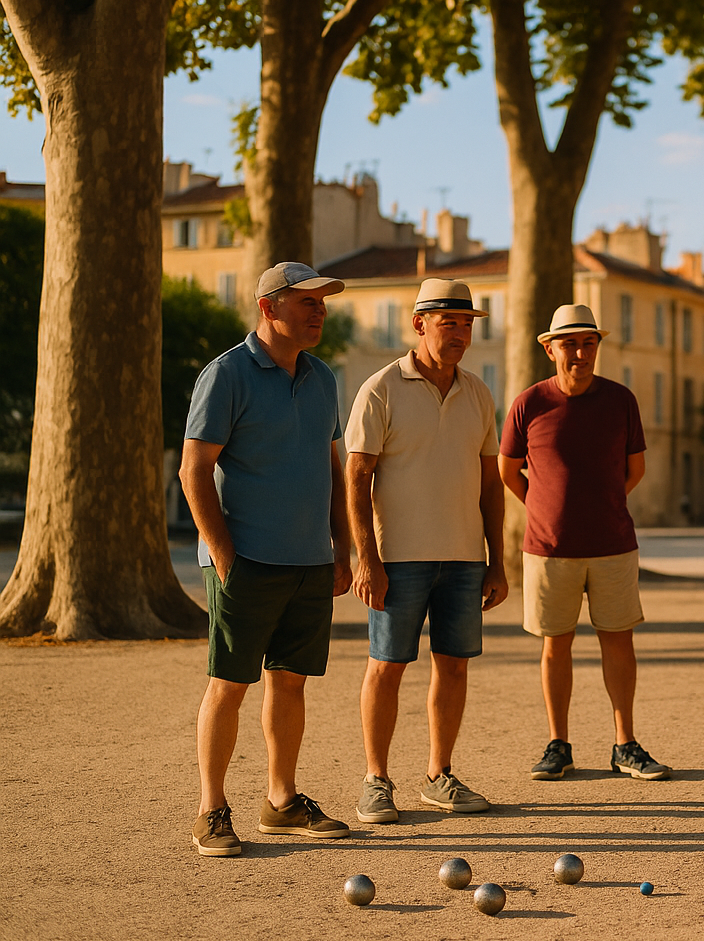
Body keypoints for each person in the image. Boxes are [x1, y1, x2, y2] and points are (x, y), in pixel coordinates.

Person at [180, 261, 355, 857]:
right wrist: (224, 555)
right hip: (245, 559)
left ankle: (281, 802)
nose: (318, 311)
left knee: (291, 682)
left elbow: (330, 467)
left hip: (308, 560)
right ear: (267, 307)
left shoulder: (324, 377)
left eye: (322, 303)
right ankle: (211, 809)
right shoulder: (226, 374)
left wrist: (344, 545)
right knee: (228, 685)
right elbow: (194, 470)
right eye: (305, 301)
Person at [346, 279, 508, 822]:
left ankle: (439, 775)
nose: (461, 334)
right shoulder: (381, 389)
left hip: (464, 559)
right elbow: (356, 479)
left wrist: (498, 561)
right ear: (419, 324)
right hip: (398, 560)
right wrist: (364, 558)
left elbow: (491, 485)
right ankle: (376, 779)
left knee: (454, 666)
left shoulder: (480, 393)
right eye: (449, 323)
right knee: (386, 667)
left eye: (467, 324)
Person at [498, 303, 671, 782]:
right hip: (548, 548)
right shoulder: (529, 403)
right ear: (550, 348)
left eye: (588, 342)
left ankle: (626, 744)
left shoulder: (621, 401)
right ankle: (559, 745)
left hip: (614, 543)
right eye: (569, 343)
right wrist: (543, 506)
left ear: (598, 347)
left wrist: (603, 502)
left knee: (619, 643)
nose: (580, 352)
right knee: (556, 645)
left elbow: (634, 470)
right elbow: (507, 471)